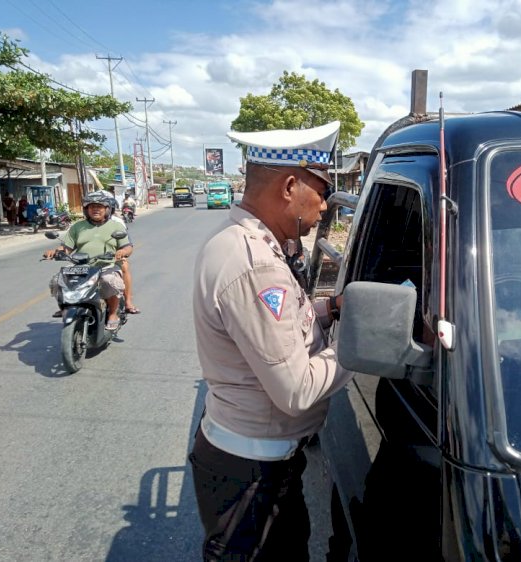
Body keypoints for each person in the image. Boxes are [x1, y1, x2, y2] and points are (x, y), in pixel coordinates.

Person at [189, 120, 351, 561]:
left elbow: (275, 328)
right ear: (290, 186)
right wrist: (358, 343)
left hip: (258, 462)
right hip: (252, 474)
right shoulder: (256, 264)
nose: (324, 206)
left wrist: (330, 310)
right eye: (320, 191)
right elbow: (296, 390)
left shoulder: (247, 242)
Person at [42, 192, 132, 330]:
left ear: (107, 209)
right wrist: (55, 251)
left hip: (106, 265)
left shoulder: (116, 226)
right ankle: (66, 306)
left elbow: (127, 247)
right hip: (81, 266)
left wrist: (122, 252)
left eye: (99, 207)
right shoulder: (78, 227)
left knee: (110, 281)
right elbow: (67, 247)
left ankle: (113, 314)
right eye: (92, 207)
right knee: (57, 281)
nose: (95, 209)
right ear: (86, 210)